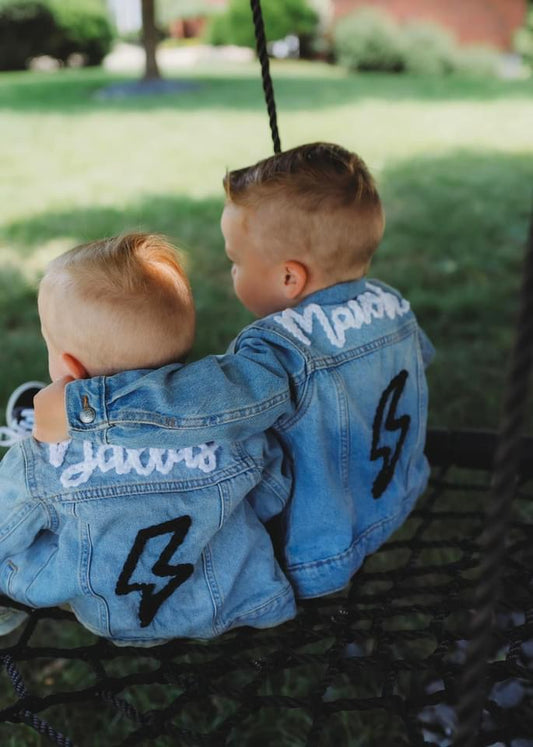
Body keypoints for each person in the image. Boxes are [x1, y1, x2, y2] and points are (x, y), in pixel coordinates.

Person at [34, 142, 435, 600]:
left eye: (236, 262)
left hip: (318, 550)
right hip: (395, 498)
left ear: (290, 279)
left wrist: (84, 411)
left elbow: (201, 404)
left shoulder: (281, 352)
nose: (231, 273)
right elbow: (415, 363)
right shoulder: (394, 306)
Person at [0, 233, 296, 644]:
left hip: (112, 615)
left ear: (71, 366)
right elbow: (273, 493)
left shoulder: (45, 459)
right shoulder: (234, 432)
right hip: (239, 598)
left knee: (22, 523)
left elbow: (4, 524)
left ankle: (38, 420)